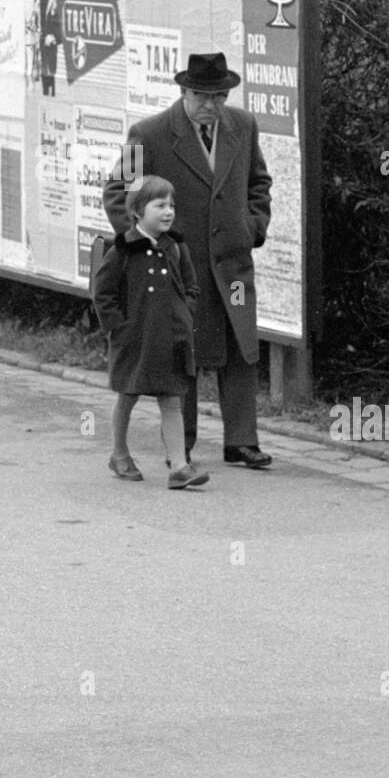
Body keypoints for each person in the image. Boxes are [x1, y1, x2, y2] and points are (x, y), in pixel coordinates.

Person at [103, 52, 273, 469]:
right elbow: (116, 193)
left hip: (232, 263)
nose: (211, 105)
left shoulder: (243, 126)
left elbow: (258, 183)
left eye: (219, 96)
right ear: (183, 91)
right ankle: (184, 446)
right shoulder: (150, 133)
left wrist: (252, 226)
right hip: (181, 264)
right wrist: (148, 243)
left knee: (240, 346)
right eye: (202, 95)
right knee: (186, 348)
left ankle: (241, 441)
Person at [92, 174, 209, 490]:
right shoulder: (122, 251)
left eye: (171, 205)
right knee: (127, 396)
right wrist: (118, 327)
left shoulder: (177, 247)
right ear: (138, 211)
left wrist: (185, 314)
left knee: (172, 400)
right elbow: (102, 293)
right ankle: (119, 454)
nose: (169, 211)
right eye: (160, 205)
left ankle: (180, 467)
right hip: (134, 341)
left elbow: (191, 286)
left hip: (172, 339)